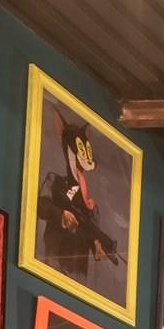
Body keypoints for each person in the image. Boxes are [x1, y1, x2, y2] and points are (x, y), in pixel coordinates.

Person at [35, 109, 119, 283]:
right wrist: (62, 215)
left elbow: (88, 231)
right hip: (53, 263)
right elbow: (41, 205)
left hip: (77, 275)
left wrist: (95, 245)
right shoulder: (55, 182)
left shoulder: (91, 205)